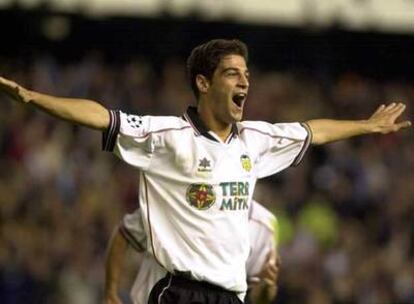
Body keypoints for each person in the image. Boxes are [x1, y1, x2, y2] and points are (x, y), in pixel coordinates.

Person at [0, 39, 410, 304]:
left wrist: (365, 125)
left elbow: (313, 131)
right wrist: (35, 98)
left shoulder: (255, 139)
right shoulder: (169, 136)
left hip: (232, 296)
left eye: (246, 74)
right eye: (233, 73)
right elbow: (103, 117)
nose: (244, 81)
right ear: (203, 82)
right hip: (179, 293)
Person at [104, 200, 280, 304]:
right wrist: (111, 292)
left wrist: (267, 285)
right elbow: (124, 233)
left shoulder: (263, 224)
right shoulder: (183, 196)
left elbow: (258, 296)